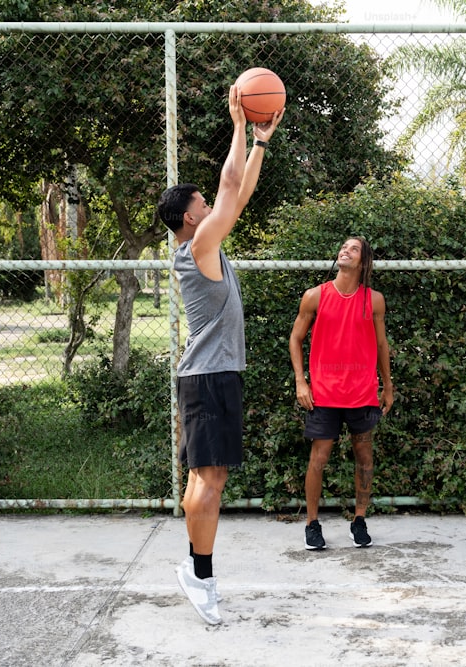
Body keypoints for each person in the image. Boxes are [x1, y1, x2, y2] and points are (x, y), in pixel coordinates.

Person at [156, 86, 283, 624]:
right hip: (209, 378)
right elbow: (230, 189)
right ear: (189, 221)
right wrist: (238, 126)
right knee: (209, 482)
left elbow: (238, 192)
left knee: (203, 481)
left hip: (212, 376)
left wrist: (260, 144)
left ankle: (193, 567)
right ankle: (201, 575)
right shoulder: (197, 250)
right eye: (202, 206)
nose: (210, 207)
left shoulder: (204, 244)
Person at [289, 237, 394, 550]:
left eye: (354, 249)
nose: (345, 251)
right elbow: (295, 340)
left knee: (364, 456)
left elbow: (381, 345)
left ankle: (359, 519)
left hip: (362, 394)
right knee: (318, 458)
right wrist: (300, 381)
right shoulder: (315, 296)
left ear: (362, 262)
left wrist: (387, 385)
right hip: (323, 394)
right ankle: (312, 523)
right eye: (343, 247)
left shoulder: (373, 300)